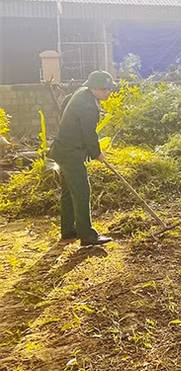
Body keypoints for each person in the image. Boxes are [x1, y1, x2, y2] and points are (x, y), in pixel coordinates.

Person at [49, 71, 118, 247]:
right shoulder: (88, 107)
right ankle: (87, 236)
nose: (108, 92)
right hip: (71, 153)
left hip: (62, 149)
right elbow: (89, 135)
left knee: (68, 192)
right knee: (81, 192)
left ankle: (68, 231)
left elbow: (66, 108)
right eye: (105, 89)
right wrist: (97, 153)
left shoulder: (81, 93)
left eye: (109, 88)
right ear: (94, 88)